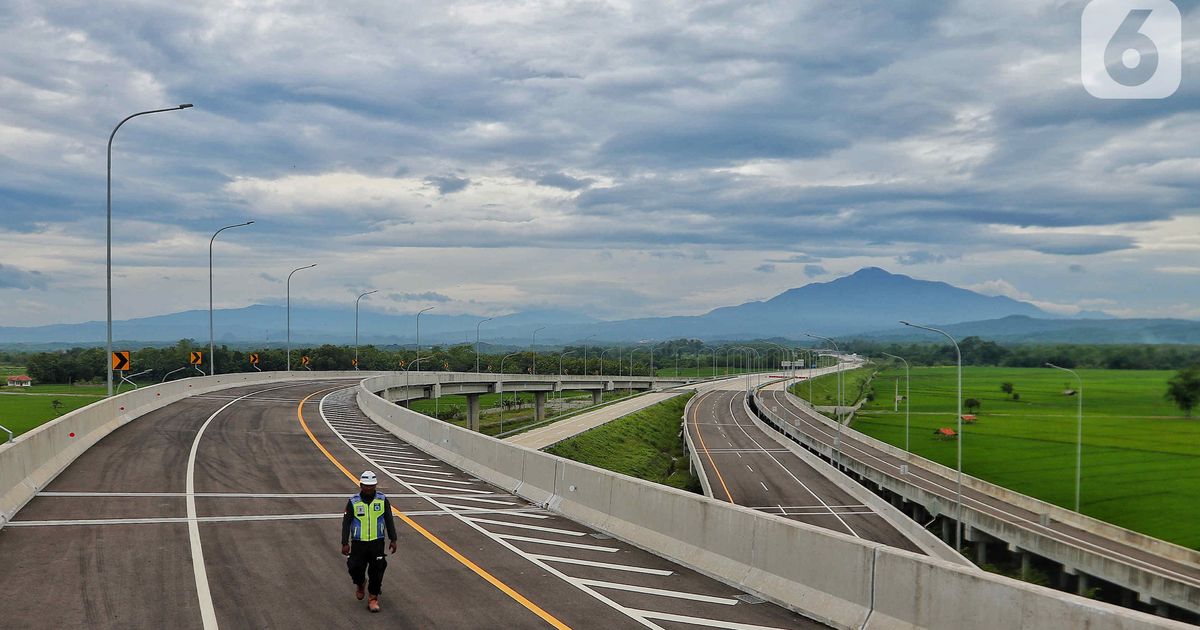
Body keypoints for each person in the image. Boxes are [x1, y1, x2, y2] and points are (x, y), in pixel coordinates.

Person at [341, 471, 397, 612]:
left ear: (376, 485)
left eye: (372, 486)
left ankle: (373, 598)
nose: (369, 488)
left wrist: (393, 539)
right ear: (361, 485)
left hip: (377, 542)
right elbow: (346, 523)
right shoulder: (353, 501)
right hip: (359, 543)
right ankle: (360, 583)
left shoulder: (382, 500)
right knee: (354, 567)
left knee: (377, 571)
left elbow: (389, 520)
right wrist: (344, 542)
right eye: (366, 485)